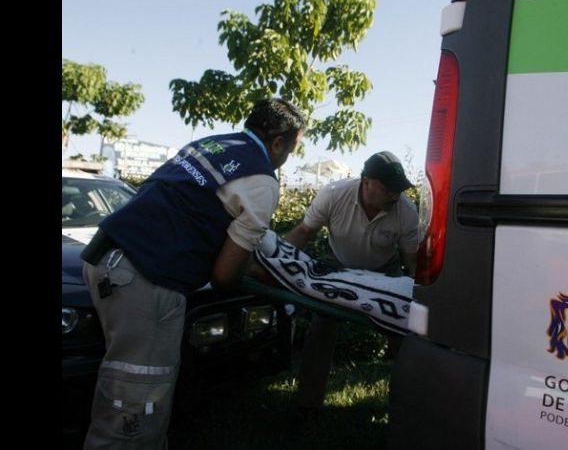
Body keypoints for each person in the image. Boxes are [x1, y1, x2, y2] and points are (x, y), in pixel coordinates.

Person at [79, 97, 305, 449]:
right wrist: (261, 271)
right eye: (292, 148)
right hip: (146, 281)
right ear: (279, 142)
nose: (288, 157)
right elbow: (224, 276)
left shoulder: (208, 144)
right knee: (134, 415)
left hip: (102, 257)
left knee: (120, 388)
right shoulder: (262, 180)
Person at [283, 151, 419, 417]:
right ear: (366, 182)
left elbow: (412, 260)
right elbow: (304, 232)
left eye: (398, 189)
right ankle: (308, 405)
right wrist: (276, 259)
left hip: (384, 270)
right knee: (322, 325)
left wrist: (419, 299)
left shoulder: (406, 211)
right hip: (338, 264)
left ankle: (408, 408)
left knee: (403, 333)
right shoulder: (334, 194)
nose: (395, 194)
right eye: (389, 188)